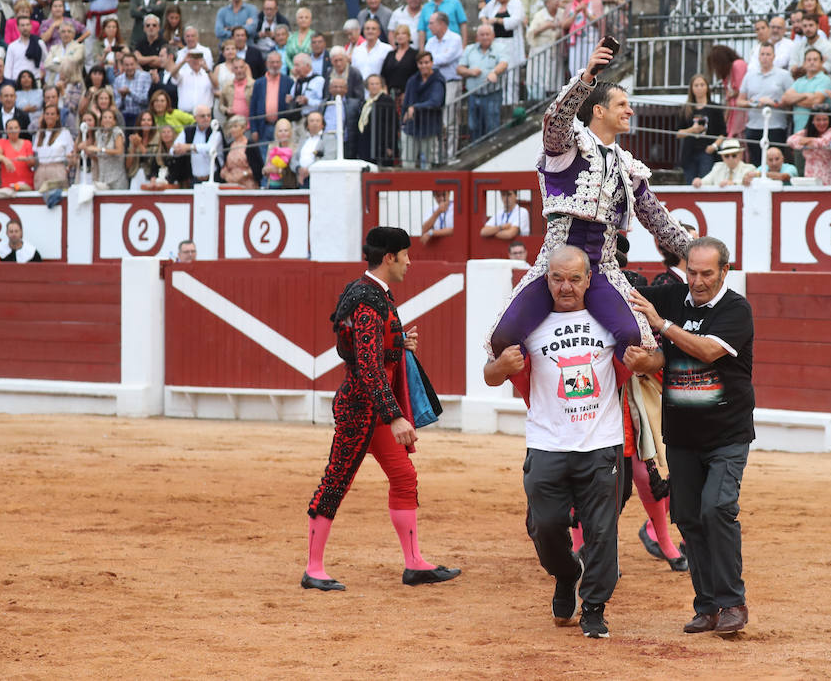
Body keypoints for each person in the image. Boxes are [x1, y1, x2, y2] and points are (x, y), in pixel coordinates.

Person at [485, 245, 662, 638]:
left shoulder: (612, 322)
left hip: (601, 442)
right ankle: (566, 575)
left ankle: (595, 608)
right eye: (557, 278)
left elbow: (655, 358)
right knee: (544, 527)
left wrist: (643, 363)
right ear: (546, 279)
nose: (565, 287)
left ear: (588, 279)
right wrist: (500, 367)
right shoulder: (529, 326)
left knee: (601, 532)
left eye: (574, 278)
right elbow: (490, 374)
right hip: (547, 442)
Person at [488, 40, 691, 362]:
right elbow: (556, 121)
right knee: (503, 337)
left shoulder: (629, 166)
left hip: (602, 266)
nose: (630, 110)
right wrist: (586, 79)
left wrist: (696, 253)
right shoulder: (569, 144)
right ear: (599, 110)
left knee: (635, 338)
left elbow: (658, 220)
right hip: (554, 264)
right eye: (622, 104)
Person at [303, 226, 459, 592]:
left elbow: (356, 350)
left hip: (373, 409)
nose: (409, 261)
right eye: (405, 254)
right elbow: (367, 366)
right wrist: (395, 415)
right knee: (337, 480)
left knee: (404, 477)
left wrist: (397, 344)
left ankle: (414, 564)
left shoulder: (367, 293)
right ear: (389, 257)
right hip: (361, 410)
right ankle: (313, 568)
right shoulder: (369, 300)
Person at [627, 236, 754, 636]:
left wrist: (661, 325)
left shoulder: (736, 309)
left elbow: (705, 351)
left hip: (726, 434)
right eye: (692, 272)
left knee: (716, 508)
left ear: (725, 272)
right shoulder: (674, 296)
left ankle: (733, 602)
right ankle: (708, 607)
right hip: (680, 434)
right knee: (689, 518)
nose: (697, 282)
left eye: (706, 274)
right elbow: (622, 295)